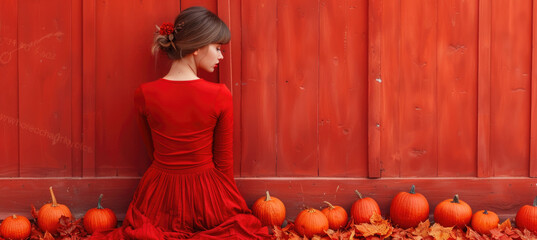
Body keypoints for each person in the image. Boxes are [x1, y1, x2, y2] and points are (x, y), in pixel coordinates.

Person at [90, 6, 271, 240]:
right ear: (197, 47)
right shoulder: (220, 95)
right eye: (217, 48)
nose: (221, 56)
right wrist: (225, 204)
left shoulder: (145, 94)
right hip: (207, 195)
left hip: (158, 197)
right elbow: (223, 163)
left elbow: (152, 152)